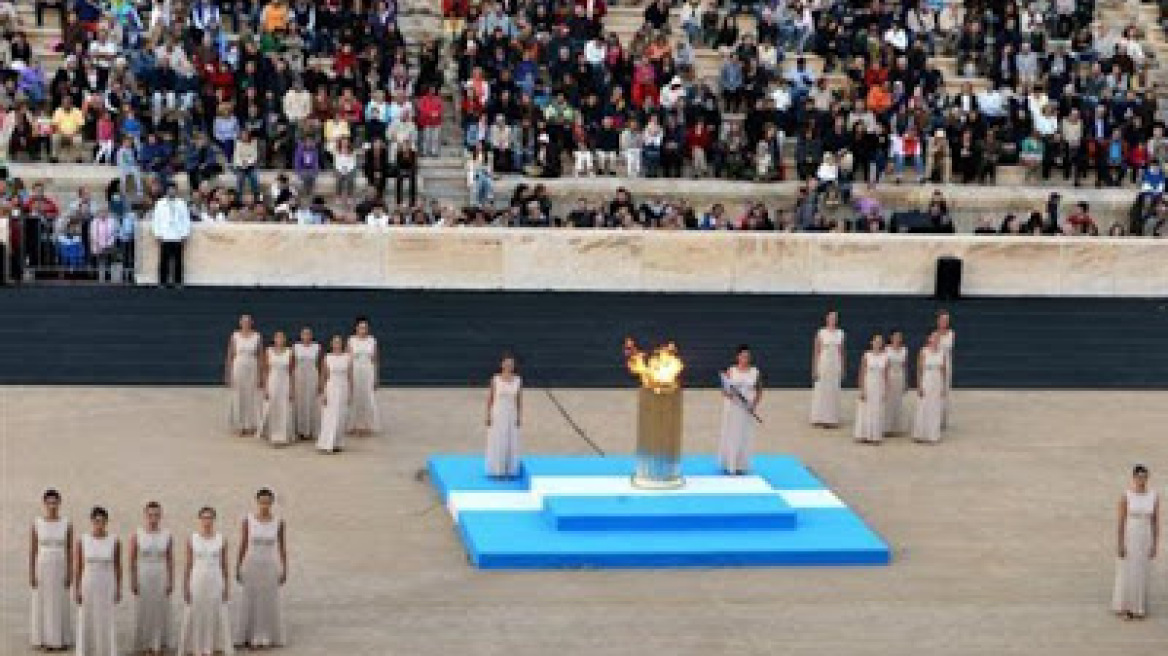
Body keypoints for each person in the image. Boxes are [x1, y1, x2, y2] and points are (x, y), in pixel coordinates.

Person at [235, 489, 287, 649]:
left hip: (269, 565)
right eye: (262, 501)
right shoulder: (248, 520)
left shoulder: (279, 522)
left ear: (272, 503)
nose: (264, 505)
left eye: (268, 502)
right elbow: (243, 543)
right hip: (252, 564)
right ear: (257, 502)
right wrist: (238, 565)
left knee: (268, 600)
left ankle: (265, 636)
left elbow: (282, 547)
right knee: (251, 598)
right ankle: (248, 635)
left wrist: (284, 568)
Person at [176, 507, 232, 656]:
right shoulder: (192, 538)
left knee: (215, 610)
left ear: (214, 520)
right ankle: (195, 647)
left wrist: (227, 586)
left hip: (215, 578)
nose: (207, 521)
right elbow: (188, 564)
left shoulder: (221, 539)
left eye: (210, 518)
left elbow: (225, 564)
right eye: (204, 518)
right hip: (198, 578)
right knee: (196, 611)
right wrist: (185, 586)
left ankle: (214, 646)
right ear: (200, 520)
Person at [1113, 465, 1159, 620]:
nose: (1142, 480)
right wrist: (1120, 543)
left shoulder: (1153, 496)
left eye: (1144, 477)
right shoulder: (1126, 496)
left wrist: (1154, 544)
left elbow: (1155, 521)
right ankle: (1127, 608)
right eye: (1139, 477)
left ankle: (1139, 607)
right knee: (1129, 570)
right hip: (1131, 533)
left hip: (1145, 535)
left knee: (1142, 570)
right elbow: (1121, 521)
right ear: (1134, 478)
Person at [74, 506, 121, 656]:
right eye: (96, 521)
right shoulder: (83, 540)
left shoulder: (114, 540)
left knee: (106, 617)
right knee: (87, 616)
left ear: (106, 522)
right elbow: (78, 566)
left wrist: (118, 588)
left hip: (107, 582)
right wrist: (77, 589)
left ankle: (106, 651)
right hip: (88, 582)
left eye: (102, 521)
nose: (99, 524)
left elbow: (118, 566)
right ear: (92, 521)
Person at [30, 488, 73, 651]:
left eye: (55, 503)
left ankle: (59, 639)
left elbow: (69, 549)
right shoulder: (37, 523)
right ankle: (44, 639)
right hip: (42, 564)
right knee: (43, 600)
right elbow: (33, 549)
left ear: (59, 503)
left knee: (59, 601)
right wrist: (31, 573)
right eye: (49, 503)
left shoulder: (66, 523)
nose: (52, 506)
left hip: (60, 564)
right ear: (44, 504)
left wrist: (70, 572)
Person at [130, 501, 173, 656]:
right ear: (145, 515)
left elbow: (170, 559)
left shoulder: (167, 534)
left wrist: (170, 580)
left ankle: (158, 644)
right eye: (150, 515)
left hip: (161, 573)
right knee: (144, 609)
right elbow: (132, 560)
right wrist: (133, 580)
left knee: (160, 609)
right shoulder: (137, 534)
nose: (153, 518)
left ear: (160, 516)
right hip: (144, 573)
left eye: (156, 515)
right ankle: (144, 644)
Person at [719, 345, 761, 474]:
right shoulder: (731, 370)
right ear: (738, 357)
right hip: (733, 408)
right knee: (732, 435)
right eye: (742, 356)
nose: (745, 359)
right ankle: (730, 464)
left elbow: (759, 390)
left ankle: (741, 465)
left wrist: (753, 405)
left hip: (747, 408)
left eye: (747, 356)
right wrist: (729, 395)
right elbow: (724, 391)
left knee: (745, 436)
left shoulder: (755, 372)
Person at [485, 353, 522, 478]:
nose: (508, 366)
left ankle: (510, 469)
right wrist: (488, 415)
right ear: (502, 365)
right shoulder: (495, 379)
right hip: (498, 412)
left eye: (511, 364)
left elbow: (518, 399)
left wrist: (519, 416)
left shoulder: (518, 380)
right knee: (498, 440)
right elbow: (490, 398)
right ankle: (497, 470)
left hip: (511, 413)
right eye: (506, 364)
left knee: (511, 440)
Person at [226, 315, 263, 436]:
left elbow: (260, 356)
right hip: (238, 366)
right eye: (243, 321)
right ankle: (239, 425)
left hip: (252, 367)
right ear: (240, 323)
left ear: (252, 322)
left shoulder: (257, 336)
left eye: (248, 321)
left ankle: (251, 424)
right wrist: (228, 373)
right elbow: (230, 355)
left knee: (251, 395)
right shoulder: (235, 335)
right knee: (238, 395)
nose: (246, 323)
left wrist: (261, 374)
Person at [151, 183, 192, 288]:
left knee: (178, 261)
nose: (171, 191)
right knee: (164, 261)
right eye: (170, 190)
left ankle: (178, 282)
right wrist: (157, 234)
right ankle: (162, 282)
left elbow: (186, 220)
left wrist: (185, 234)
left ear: (176, 191)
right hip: (165, 235)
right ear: (166, 191)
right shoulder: (160, 203)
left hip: (178, 235)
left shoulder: (181, 203)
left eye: (173, 190)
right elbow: (156, 220)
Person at [317, 336, 352, 453]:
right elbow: (323, 376)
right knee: (329, 416)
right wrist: (323, 394)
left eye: (339, 342)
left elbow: (350, 376)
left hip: (343, 388)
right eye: (335, 342)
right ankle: (326, 443)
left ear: (342, 344)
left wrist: (350, 393)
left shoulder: (347, 357)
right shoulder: (327, 357)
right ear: (331, 344)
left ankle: (337, 442)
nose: (337, 344)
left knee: (341, 416)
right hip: (331, 388)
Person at [810, 310, 845, 428]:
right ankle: (820, 417)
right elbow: (816, 351)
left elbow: (842, 351)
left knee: (833, 389)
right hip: (824, 362)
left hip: (835, 363)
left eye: (835, 318)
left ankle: (832, 417)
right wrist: (815, 368)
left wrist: (843, 366)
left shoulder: (841, 333)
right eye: (831, 317)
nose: (833, 320)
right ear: (827, 319)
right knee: (822, 389)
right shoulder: (821, 332)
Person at [259, 331, 295, 446]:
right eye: (277, 337)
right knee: (272, 406)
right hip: (273, 381)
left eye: (282, 338)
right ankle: (272, 433)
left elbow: (291, 372)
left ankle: (284, 435)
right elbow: (265, 370)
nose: (279, 340)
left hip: (285, 381)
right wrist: (265, 387)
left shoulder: (289, 352)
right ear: (274, 339)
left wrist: (292, 388)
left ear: (285, 339)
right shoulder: (268, 351)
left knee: (284, 407)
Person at [911, 332, 947, 444]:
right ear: (929, 339)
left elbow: (943, 371)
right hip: (927, 379)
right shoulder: (924, 351)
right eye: (933, 337)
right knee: (923, 405)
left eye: (937, 338)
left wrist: (943, 386)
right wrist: (919, 385)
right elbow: (919, 370)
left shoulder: (942, 353)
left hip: (937, 381)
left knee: (935, 407)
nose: (935, 340)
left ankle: (933, 435)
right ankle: (920, 434)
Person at [347, 318, 379, 436]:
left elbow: (375, 360)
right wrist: (348, 376)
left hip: (368, 371)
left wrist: (376, 377)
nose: (363, 330)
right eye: (360, 327)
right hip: (355, 371)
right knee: (355, 396)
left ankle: (367, 425)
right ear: (356, 328)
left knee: (368, 397)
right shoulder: (351, 340)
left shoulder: (372, 340)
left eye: (365, 327)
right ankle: (354, 425)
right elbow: (348, 359)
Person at [853, 334, 888, 444]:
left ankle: (874, 436)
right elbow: (862, 373)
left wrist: (886, 390)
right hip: (868, 384)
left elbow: (886, 375)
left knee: (876, 410)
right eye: (875, 341)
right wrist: (862, 389)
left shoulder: (885, 357)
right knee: (865, 409)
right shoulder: (866, 355)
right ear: (871, 343)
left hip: (879, 385)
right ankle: (863, 434)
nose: (877, 344)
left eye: (880, 342)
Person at [292, 327, 321, 440]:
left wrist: (320, 382)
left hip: (312, 376)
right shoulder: (296, 346)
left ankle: (310, 430)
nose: (306, 336)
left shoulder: (316, 347)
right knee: (300, 402)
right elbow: (293, 364)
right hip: (299, 376)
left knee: (311, 401)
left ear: (311, 335)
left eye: (308, 334)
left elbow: (319, 364)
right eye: (304, 334)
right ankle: (299, 430)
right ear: (301, 335)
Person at [884, 330, 909, 435]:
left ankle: (896, 427)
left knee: (898, 401)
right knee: (888, 401)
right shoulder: (887, 349)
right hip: (890, 376)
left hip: (900, 376)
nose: (897, 339)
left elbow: (905, 366)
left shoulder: (904, 350)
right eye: (895, 337)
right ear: (891, 338)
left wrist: (906, 381)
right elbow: (884, 365)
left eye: (899, 337)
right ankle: (886, 427)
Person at [936, 310, 955, 426]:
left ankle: (942, 419)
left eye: (946, 320)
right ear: (938, 320)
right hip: (935, 363)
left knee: (944, 391)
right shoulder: (934, 333)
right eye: (942, 320)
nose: (944, 322)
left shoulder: (951, 333)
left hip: (946, 363)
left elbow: (948, 346)